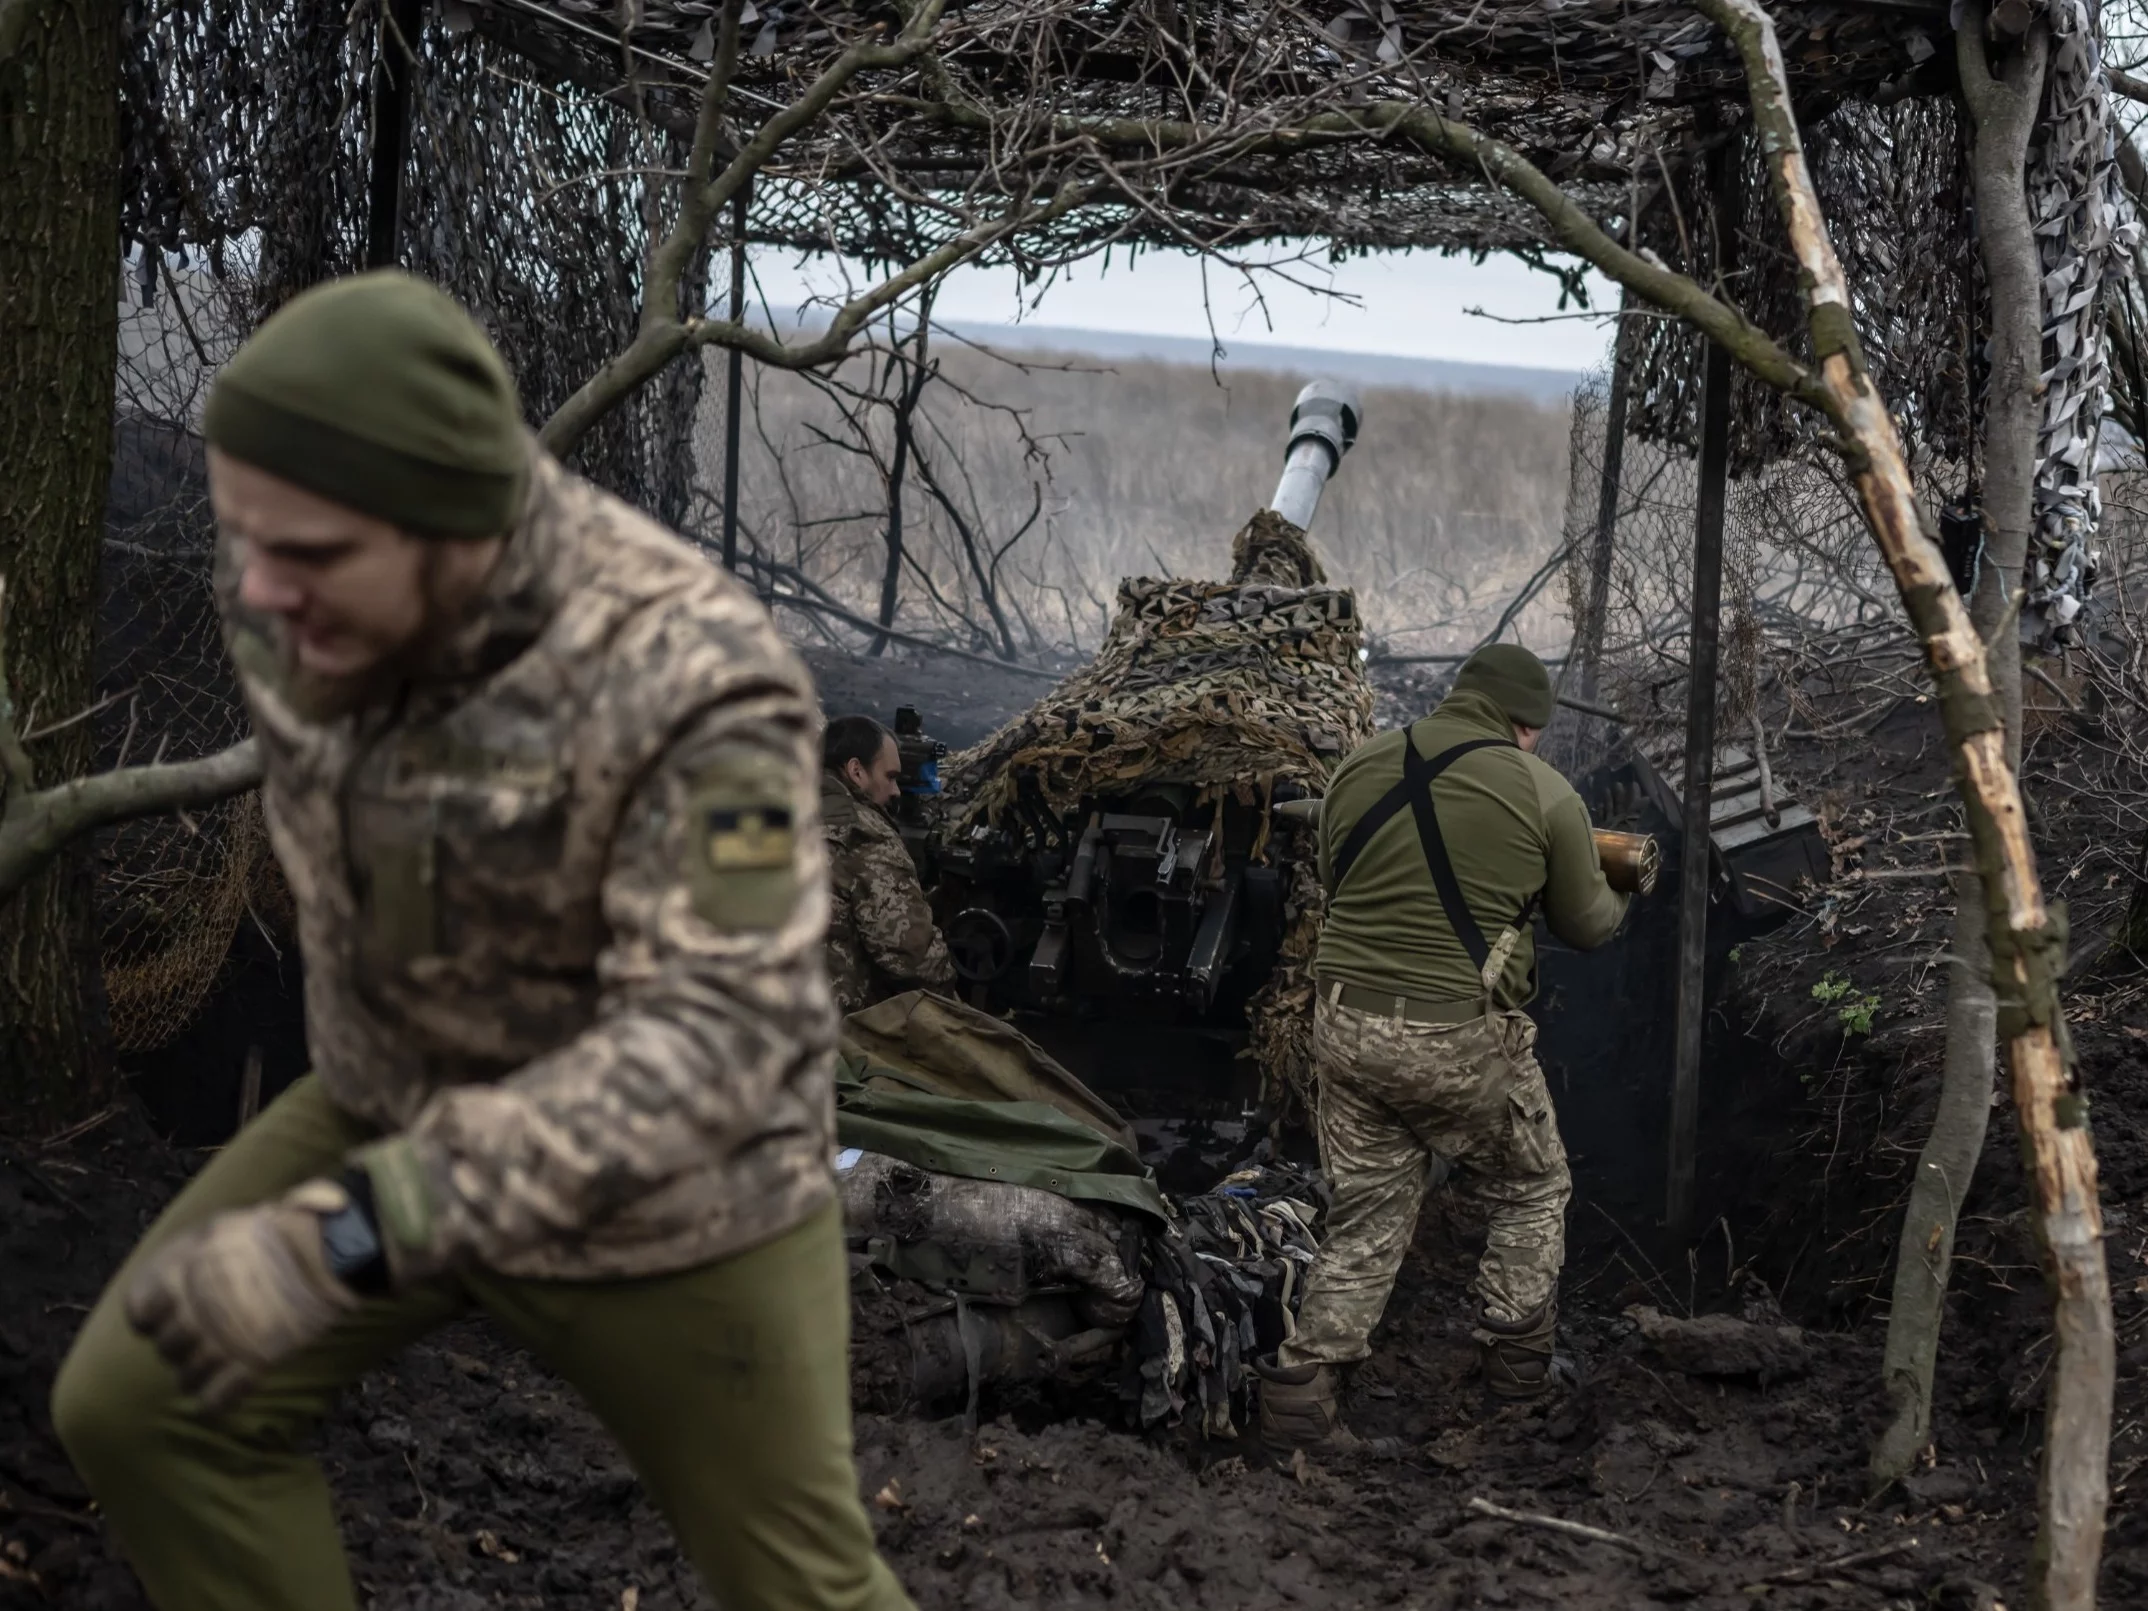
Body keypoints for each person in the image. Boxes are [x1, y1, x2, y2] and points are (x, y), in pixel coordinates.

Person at [49, 271, 913, 1611]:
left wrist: (345, 1234)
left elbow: (716, 1042)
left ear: (451, 526)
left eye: (311, 552)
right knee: (147, 1395)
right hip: (403, 1097)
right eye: (246, 539)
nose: (262, 594)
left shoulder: (703, 684)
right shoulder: (294, 597)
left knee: (802, 1583)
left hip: (675, 1199)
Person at [1257, 644, 1629, 1448]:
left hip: (1343, 1025)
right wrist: (1629, 885)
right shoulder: (1545, 792)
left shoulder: (1359, 765)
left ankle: (1302, 1392)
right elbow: (1588, 924)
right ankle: (1518, 1371)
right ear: (1527, 723)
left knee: (1368, 1208)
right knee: (1531, 1185)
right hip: (1451, 1034)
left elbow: (1333, 877)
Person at [820, 714, 955, 1013]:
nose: (895, 791)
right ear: (856, 771)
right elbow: (914, 959)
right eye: (890, 776)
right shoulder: (863, 833)